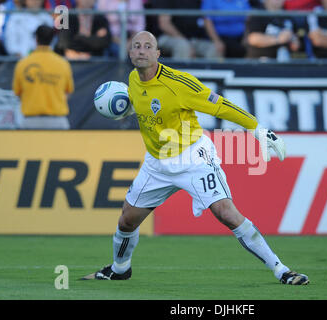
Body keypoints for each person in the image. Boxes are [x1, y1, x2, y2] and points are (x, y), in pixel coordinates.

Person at [83, 31, 309, 286]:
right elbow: (144, 105)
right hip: (157, 163)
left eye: (148, 46)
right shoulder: (133, 81)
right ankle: (120, 268)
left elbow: (220, 105)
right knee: (127, 220)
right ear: (130, 52)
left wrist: (257, 129)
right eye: (136, 46)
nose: (141, 50)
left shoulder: (179, 83)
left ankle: (281, 270)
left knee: (226, 213)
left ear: (158, 54)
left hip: (193, 157)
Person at [12, 25, 74, 129]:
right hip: (57, 121)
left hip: (31, 121)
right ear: (52, 40)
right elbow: (68, 91)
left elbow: (18, 93)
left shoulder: (23, 64)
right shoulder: (62, 63)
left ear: (36, 39)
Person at [152, 0, 221, 59]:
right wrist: (185, 41)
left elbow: (206, 20)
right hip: (168, 37)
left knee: (214, 48)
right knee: (183, 46)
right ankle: (179, 74)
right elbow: (164, 24)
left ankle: (208, 74)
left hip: (193, 39)